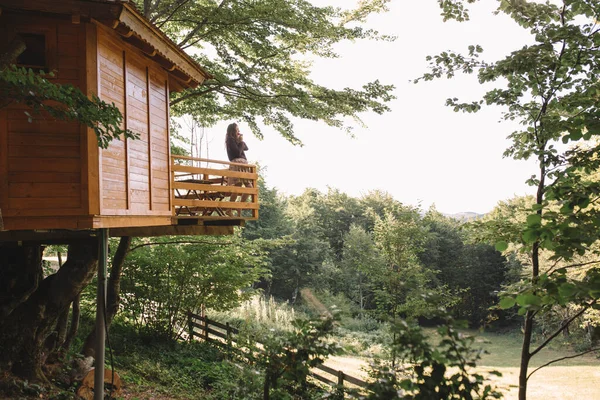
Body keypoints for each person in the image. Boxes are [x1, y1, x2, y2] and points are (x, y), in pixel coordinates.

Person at [225, 123, 253, 216]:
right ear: (233, 131)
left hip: (243, 165)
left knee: (249, 187)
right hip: (237, 164)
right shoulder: (230, 140)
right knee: (237, 187)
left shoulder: (235, 140)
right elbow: (237, 152)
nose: (239, 131)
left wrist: (240, 141)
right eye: (237, 130)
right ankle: (229, 209)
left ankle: (239, 206)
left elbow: (247, 148)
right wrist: (240, 142)